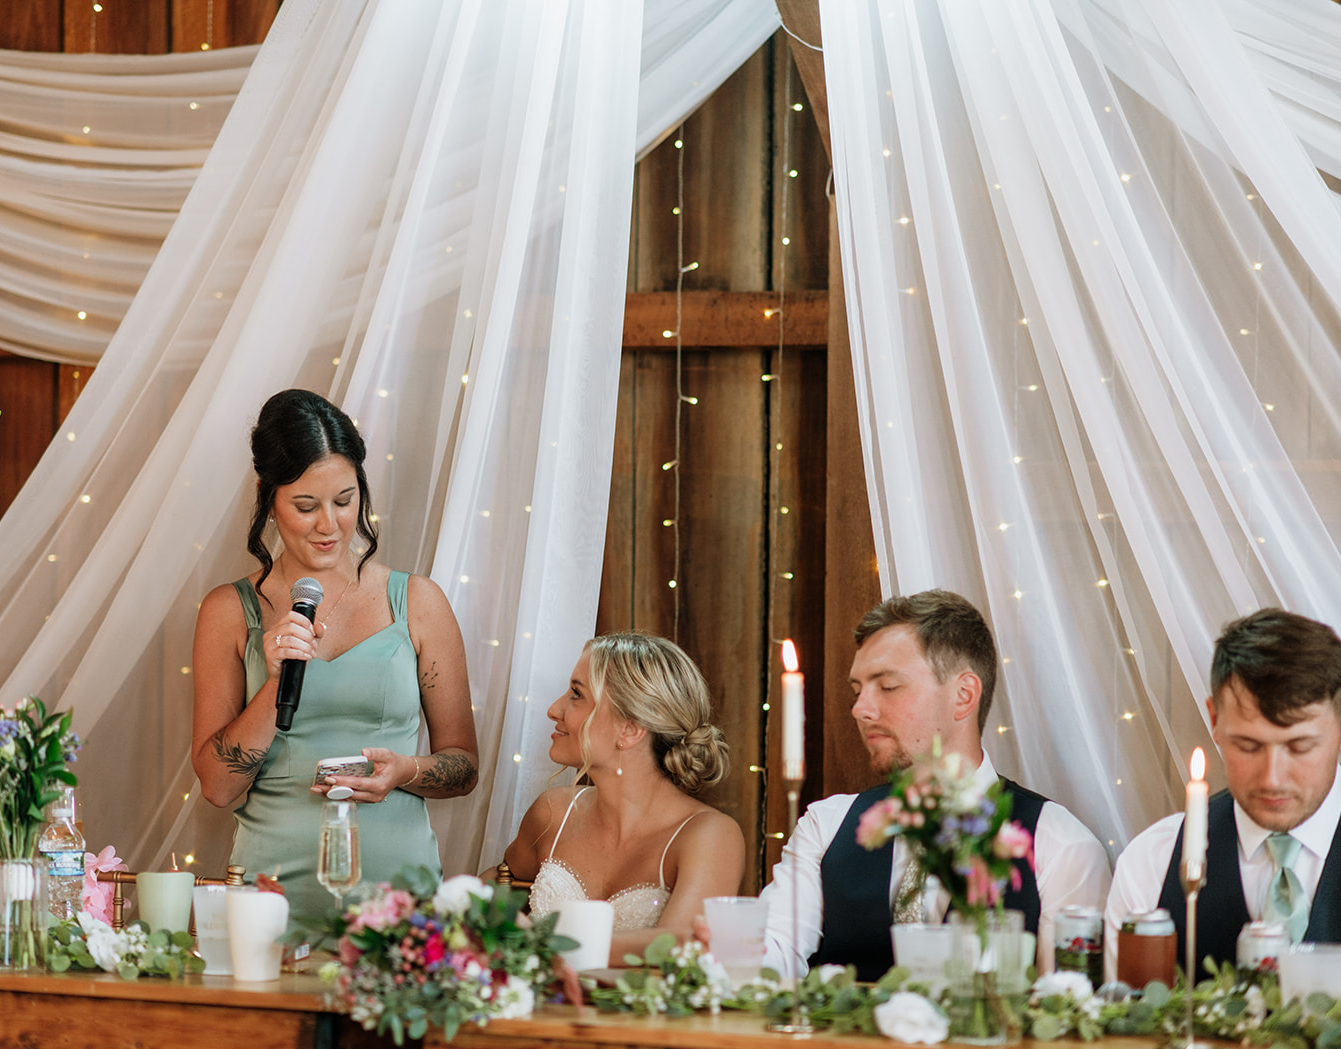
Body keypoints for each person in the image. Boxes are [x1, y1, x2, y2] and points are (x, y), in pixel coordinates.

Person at [191, 389, 478, 920]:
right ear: (267, 497)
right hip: (271, 902)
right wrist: (277, 681)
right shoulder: (228, 611)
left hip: (400, 909)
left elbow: (463, 767)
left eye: (344, 501)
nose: (329, 525)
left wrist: (406, 771)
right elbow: (216, 785)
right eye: (306, 506)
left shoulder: (418, 601)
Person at [760, 590, 1111, 981]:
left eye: (888, 686)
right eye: (858, 690)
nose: (860, 710)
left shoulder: (1060, 845)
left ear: (963, 696)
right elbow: (773, 950)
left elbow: (1068, 1007)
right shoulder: (826, 826)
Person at [1105, 608, 1341, 989]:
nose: (1272, 778)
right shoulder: (1152, 862)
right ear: (1215, 721)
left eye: (1300, 746)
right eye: (1248, 745)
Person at [494, 632, 745, 963]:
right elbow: (498, 886)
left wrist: (545, 944)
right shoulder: (553, 812)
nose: (554, 710)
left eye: (576, 695)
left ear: (629, 729)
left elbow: (681, 946)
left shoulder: (709, 835)